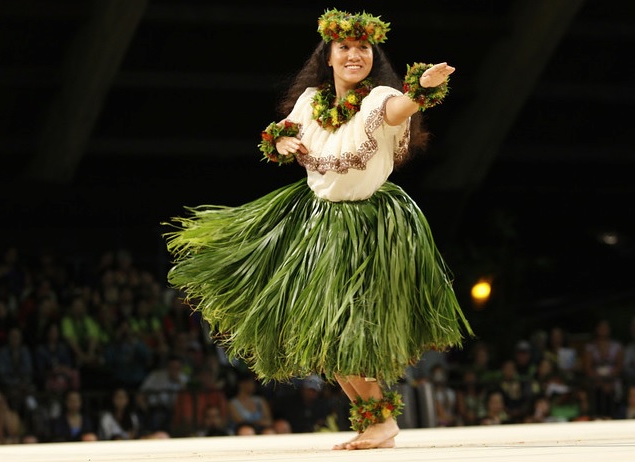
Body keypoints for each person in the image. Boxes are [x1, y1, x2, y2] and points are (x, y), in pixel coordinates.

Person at [164, 8, 471, 451]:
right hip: (318, 224)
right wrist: (283, 141)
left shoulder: (379, 97)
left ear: (373, 54)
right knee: (323, 335)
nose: (354, 55)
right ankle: (374, 421)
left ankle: (381, 420)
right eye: (344, 47)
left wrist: (422, 88)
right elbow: (280, 133)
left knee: (343, 328)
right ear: (327, 55)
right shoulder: (311, 101)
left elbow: (399, 107)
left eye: (363, 47)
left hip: (368, 228)